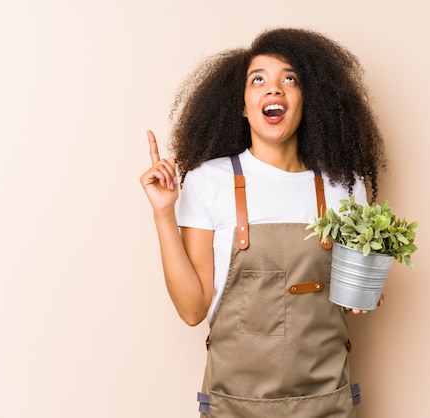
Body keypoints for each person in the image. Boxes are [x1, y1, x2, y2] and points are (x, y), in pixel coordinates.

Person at [140, 27, 387, 417]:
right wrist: (163, 212)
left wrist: (364, 290)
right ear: (241, 104)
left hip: (325, 402)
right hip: (234, 405)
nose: (274, 90)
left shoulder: (344, 184)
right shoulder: (208, 182)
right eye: (259, 80)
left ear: (309, 99)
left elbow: (354, 287)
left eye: (290, 78)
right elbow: (191, 311)